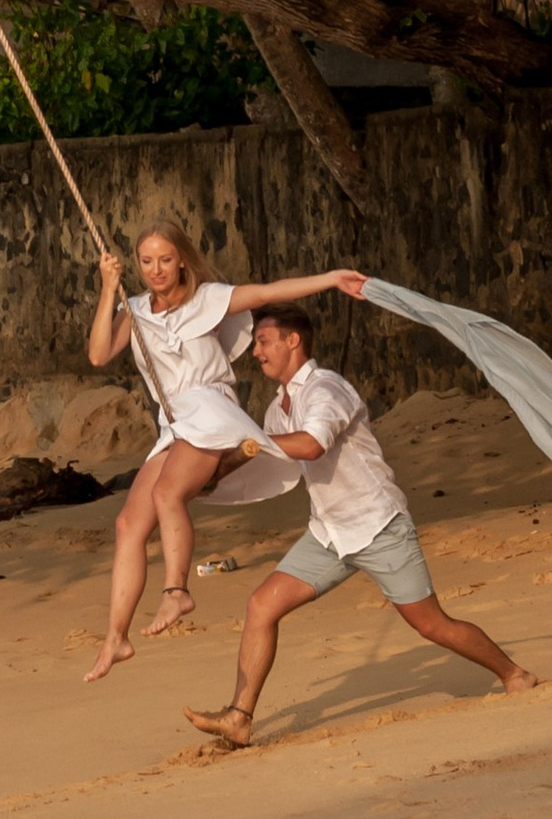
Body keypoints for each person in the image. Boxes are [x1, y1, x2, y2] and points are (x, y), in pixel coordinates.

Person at [184, 300, 538, 746]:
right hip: (328, 533)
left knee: (432, 625)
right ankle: (239, 717)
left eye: (262, 341)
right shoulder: (279, 408)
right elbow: (272, 468)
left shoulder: (327, 390)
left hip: (378, 524)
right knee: (261, 606)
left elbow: (311, 446)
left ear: (293, 341)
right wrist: (209, 481)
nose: (255, 351)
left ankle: (515, 674)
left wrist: (248, 442)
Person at [83, 226, 367, 682]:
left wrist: (331, 279)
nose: (156, 270)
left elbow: (268, 291)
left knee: (168, 495)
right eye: (147, 262)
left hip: (210, 408)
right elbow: (99, 354)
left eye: (165, 260)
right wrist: (109, 288)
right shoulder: (133, 311)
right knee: (127, 524)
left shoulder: (206, 299)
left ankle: (177, 590)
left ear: (182, 261)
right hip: (174, 420)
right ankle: (116, 637)